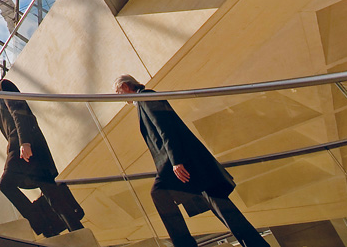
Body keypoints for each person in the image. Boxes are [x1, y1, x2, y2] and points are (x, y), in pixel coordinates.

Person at [113, 74, 269, 247]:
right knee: (223, 209)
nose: (118, 95)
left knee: (159, 193)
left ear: (126, 86)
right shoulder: (143, 101)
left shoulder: (146, 97)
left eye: (117, 91)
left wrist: (176, 161)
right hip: (186, 164)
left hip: (183, 162)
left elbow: (165, 129)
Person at [0, 63, 85, 237]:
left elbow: (19, 112)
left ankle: (42, 224)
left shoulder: (3, 85)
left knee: (7, 184)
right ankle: (74, 231)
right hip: (28, 147)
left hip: (23, 143)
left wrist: (24, 142)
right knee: (50, 192)